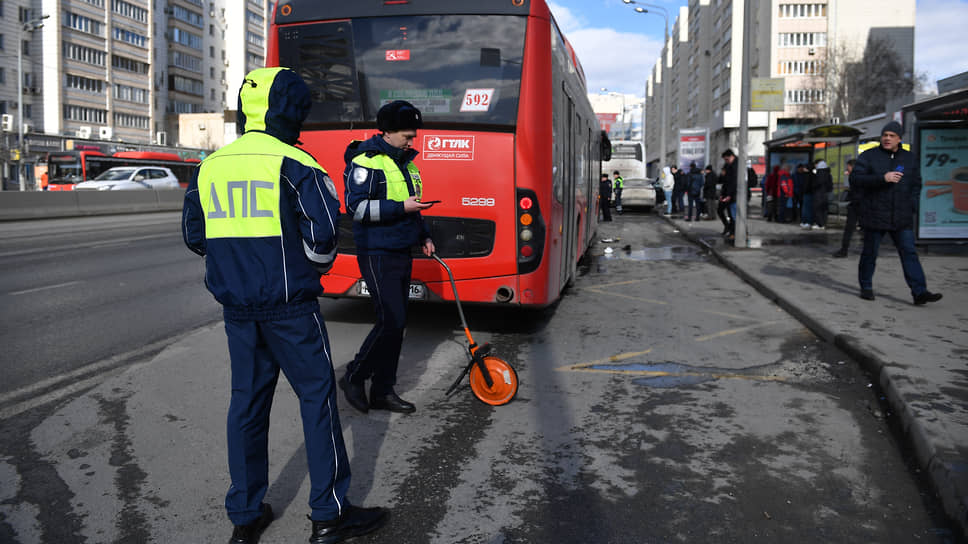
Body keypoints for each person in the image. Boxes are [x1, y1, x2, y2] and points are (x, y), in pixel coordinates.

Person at [182, 67, 387, 544]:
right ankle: (329, 515)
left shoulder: (210, 166)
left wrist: (239, 265)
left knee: (247, 406)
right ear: (292, 110)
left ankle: (246, 515)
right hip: (291, 309)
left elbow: (196, 237)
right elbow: (323, 238)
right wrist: (301, 273)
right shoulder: (298, 163)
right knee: (316, 401)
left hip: (238, 311)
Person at [340, 100, 436, 414]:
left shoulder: (407, 163)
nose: (413, 141)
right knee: (390, 320)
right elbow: (356, 209)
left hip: (401, 249)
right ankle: (354, 376)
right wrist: (402, 208)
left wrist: (423, 236)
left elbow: (413, 204)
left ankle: (383, 390)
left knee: (397, 323)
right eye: (408, 136)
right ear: (389, 132)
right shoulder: (367, 161)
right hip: (377, 251)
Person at [851, 121, 942, 305]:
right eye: (885, 135)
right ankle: (866, 286)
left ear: (899, 139)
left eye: (892, 136)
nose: (887, 138)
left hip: (901, 215)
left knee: (909, 253)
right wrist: (882, 178)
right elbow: (856, 179)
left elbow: (916, 184)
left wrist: (912, 205)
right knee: (870, 252)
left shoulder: (908, 158)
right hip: (875, 213)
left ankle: (919, 292)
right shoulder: (869, 156)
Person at [833, 159, 859, 257]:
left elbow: (855, 191)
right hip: (862, 205)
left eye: (848, 166)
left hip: (855, 205)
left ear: (852, 166)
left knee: (849, 229)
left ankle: (844, 250)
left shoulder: (853, 176)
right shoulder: (863, 175)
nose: (846, 168)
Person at [718, 149, 738, 240]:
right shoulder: (727, 165)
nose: (726, 161)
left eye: (727, 159)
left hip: (735, 194)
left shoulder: (736, 165)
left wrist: (729, 195)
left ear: (731, 156)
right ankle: (729, 228)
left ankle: (735, 232)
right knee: (721, 210)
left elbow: (733, 182)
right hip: (727, 193)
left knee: (734, 214)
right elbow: (724, 180)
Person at [811, 159, 833, 229]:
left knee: (817, 209)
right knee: (824, 210)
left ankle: (819, 224)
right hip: (826, 193)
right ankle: (823, 224)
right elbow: (830, 185)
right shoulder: (828, 173)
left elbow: (816, 183)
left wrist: (813, 186)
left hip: (819, 193)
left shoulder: (819, 173)